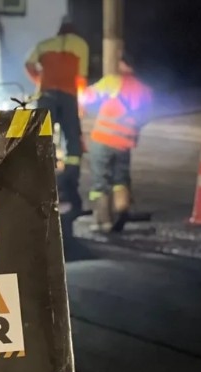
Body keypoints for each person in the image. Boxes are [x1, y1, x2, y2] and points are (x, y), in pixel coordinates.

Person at [79, 51, 153, 232]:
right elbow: (146, 117)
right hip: (124, 143)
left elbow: (86, 97)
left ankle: (103, 221)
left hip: (103, 140)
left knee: (100, 181)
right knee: (121, 180)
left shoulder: (113, 81)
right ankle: (121, 213)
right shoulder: (146, 91)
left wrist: (79, 90)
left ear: (124, 64)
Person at [24, 15, 88, 215]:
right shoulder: (81, 45)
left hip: (46, 96)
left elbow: (29, 64)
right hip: (68, 96)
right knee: (72, 140)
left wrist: (39, 80)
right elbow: (81, 78)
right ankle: (69, 183)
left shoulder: (45, 44)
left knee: (43, 137)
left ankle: (42, 179)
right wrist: (80, 104)